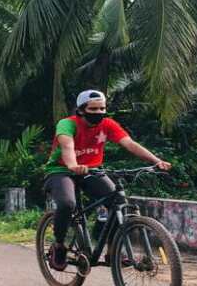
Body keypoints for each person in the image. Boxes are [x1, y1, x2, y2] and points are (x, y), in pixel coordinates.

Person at [44, 90, 172, 272]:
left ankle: (113, 253)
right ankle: (58, 246)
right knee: (67, 203)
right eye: (93, 109)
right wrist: (73, 165)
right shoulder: (67, 124)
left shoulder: (108, 124)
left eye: (102, 108)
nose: (98, 112)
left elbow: (130, 144)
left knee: (117, 201)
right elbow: (67, 146)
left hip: (92, 171)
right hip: (61, 171)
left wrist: (156, 161)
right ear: (81, 110)